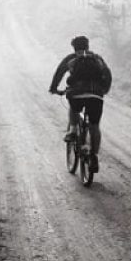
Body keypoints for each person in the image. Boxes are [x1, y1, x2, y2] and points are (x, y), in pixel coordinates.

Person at [49, 35, 113, 172]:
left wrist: (54, 88)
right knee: (95, 125)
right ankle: (94, 156)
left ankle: (72, 130)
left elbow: (59, 73)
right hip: (96, 95)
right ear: (88, 46)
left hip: (77, 93)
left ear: (74, 47)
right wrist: (104, 90)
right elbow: (107, 74)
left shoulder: (71, 58)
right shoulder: (97, 58)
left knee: (74, 107)